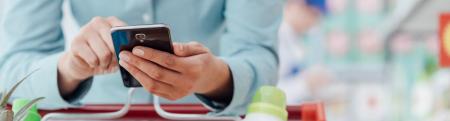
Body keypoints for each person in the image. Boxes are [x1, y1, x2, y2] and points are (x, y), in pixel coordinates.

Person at [0, 0, 283, 116]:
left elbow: (259, 55)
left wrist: (212, 77)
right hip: (95, 113)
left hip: (204, 115)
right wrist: (69, 68)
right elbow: (13, 70)